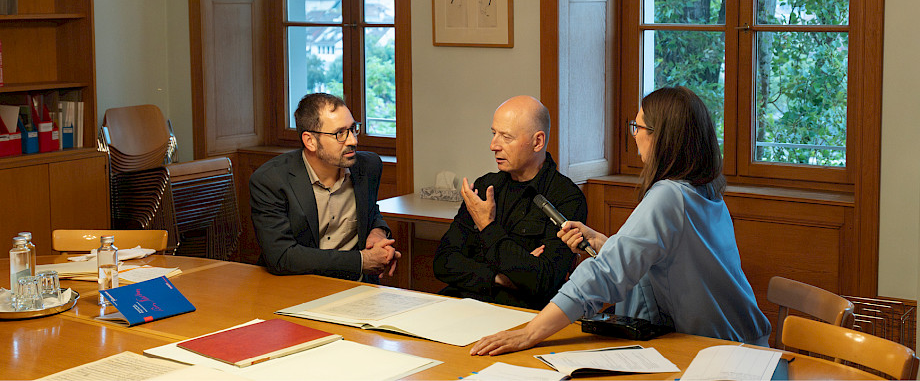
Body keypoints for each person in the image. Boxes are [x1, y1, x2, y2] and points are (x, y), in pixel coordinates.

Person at [471, 86, 771, 355]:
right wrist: (605, 244)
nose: (634, 134)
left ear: (660, 137)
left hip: (719, 351)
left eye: (637, 127)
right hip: (743, 340)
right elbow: (663, 258)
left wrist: (529, 333)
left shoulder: (669, 196)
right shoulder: (705, 189)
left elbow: (603, 275)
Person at [433, 95, 588, 310]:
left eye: (506, 137)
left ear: (537, 142)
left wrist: (487, 227)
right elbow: (443, 262)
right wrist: (500, 277)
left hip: (520, 312)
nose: (493, 145)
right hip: (465, 302)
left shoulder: (566, 197)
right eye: (494, 134)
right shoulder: (486, 186)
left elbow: (541, 282)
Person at [250, 93, 399, 281]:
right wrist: (361, 261)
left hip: (358, 287)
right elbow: (281, 256)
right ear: (310, 141)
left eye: (353, 129)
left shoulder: (368, 166)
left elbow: (371, 212)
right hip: (296, 285)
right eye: (340, 134)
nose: (353, 141)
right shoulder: (270, 180)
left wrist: (378, 233)